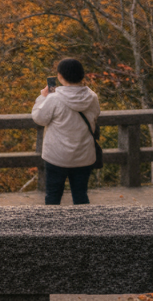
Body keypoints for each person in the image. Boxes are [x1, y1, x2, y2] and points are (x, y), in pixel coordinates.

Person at [31, 58, 101, 205]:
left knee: (53, 196)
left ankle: (53, 226)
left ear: (60, 76)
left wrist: (42, 97)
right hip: (84, 155)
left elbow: (39, 118)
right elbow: (95, 117)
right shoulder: (92, 98)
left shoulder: (54, 98)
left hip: (56, 156)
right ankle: (83, 225)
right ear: (82, 76)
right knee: (81, 195)